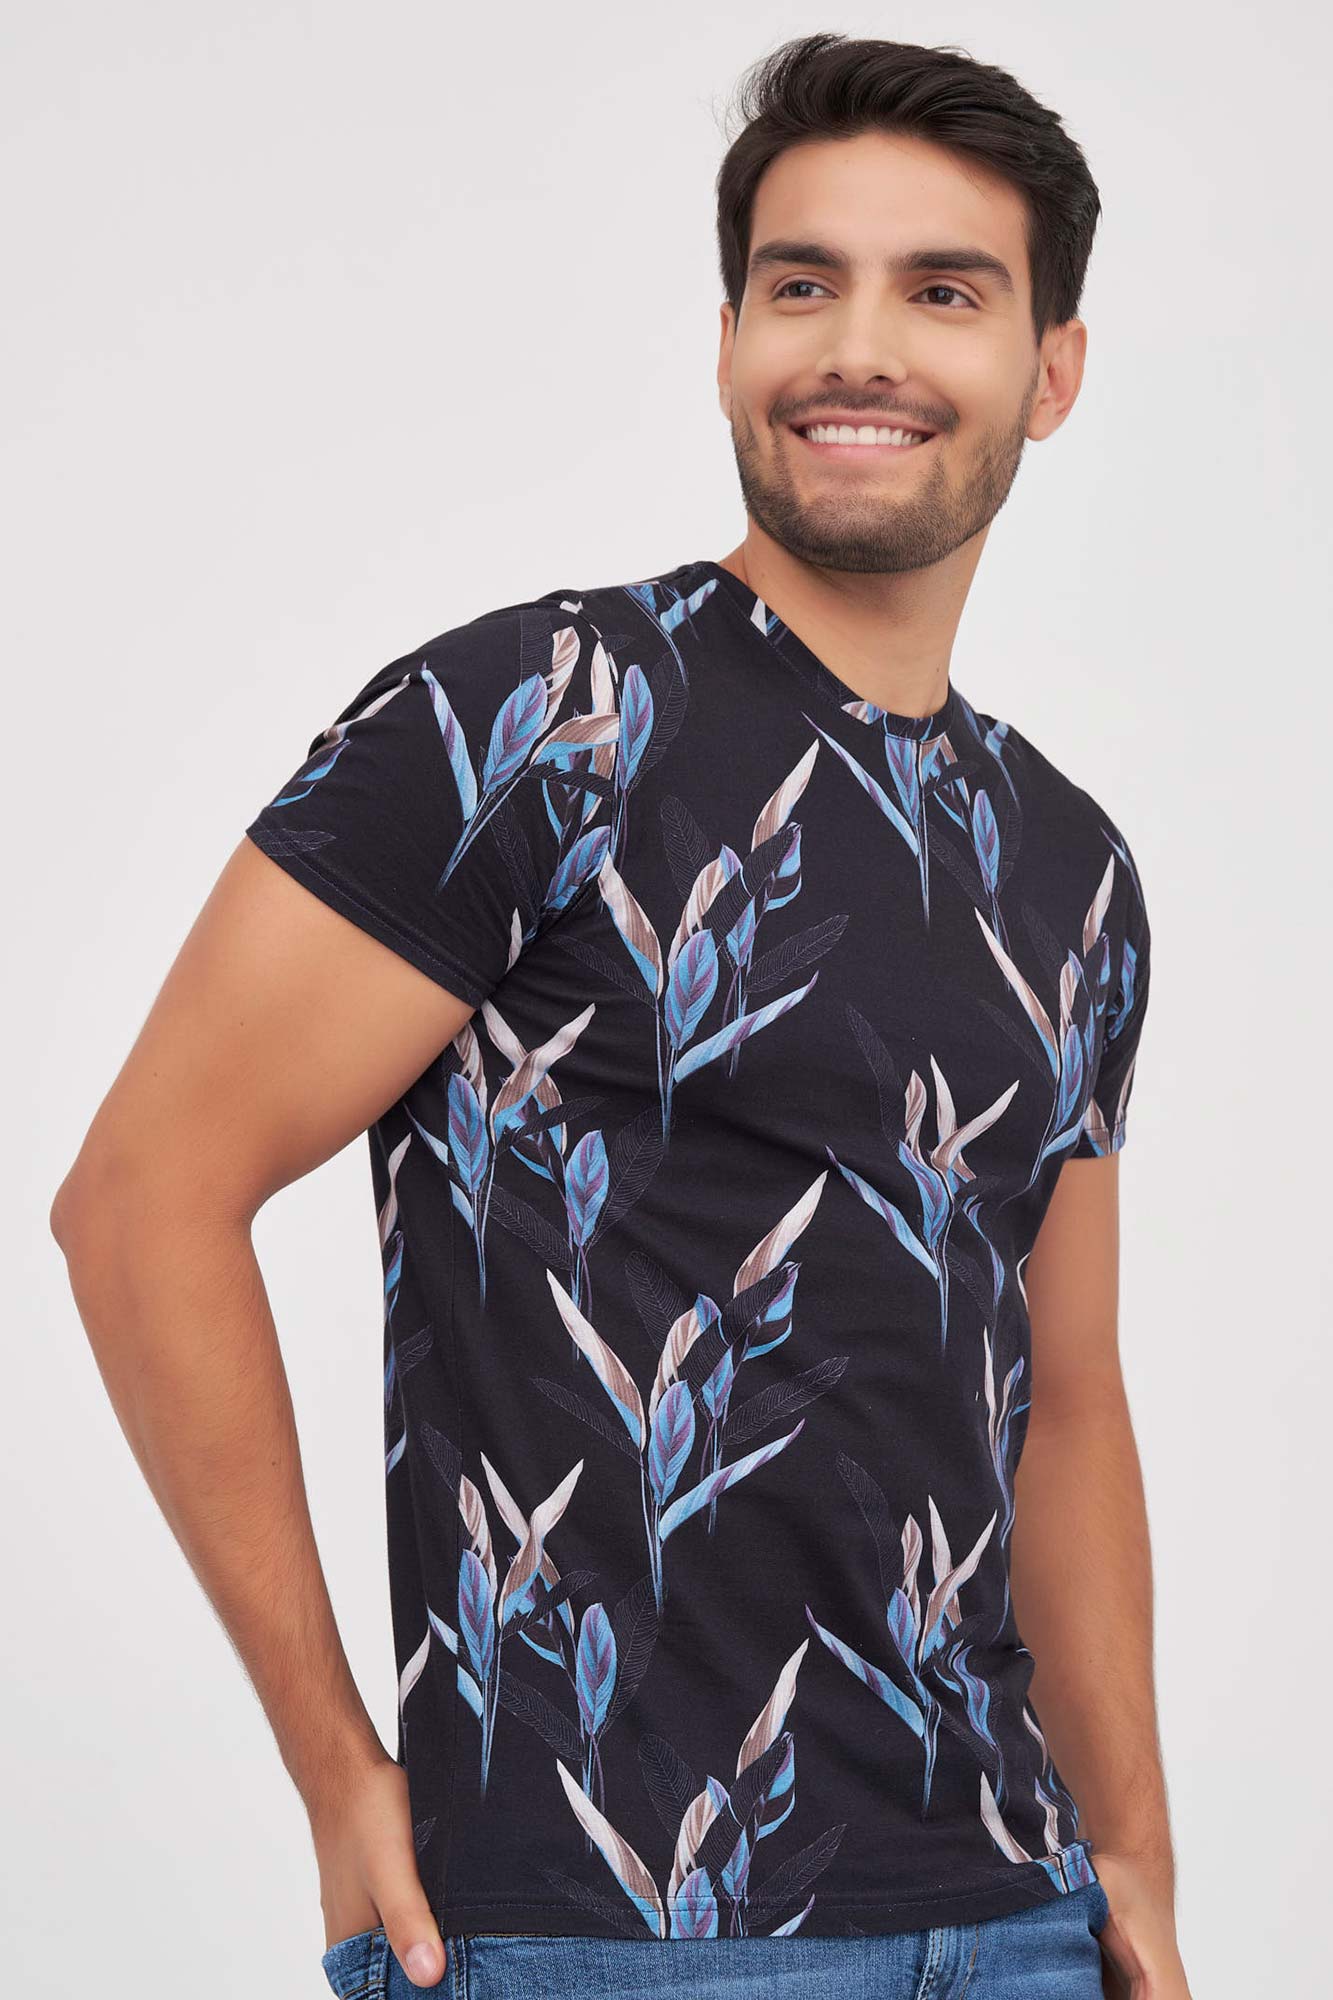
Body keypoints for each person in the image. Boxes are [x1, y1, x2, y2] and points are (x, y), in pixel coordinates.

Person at [50, 31, 1193, 2000]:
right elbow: (141, 1200)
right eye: (800, 283)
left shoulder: (1069, 867)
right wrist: (335, 1765)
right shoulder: (540, 720)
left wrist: (1135, 1861)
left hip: (1012, 1920)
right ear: (731, 339)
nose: (857, 348)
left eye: (944, 292)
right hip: (610, 1932)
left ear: (1051, 370)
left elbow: (1066, 1399)